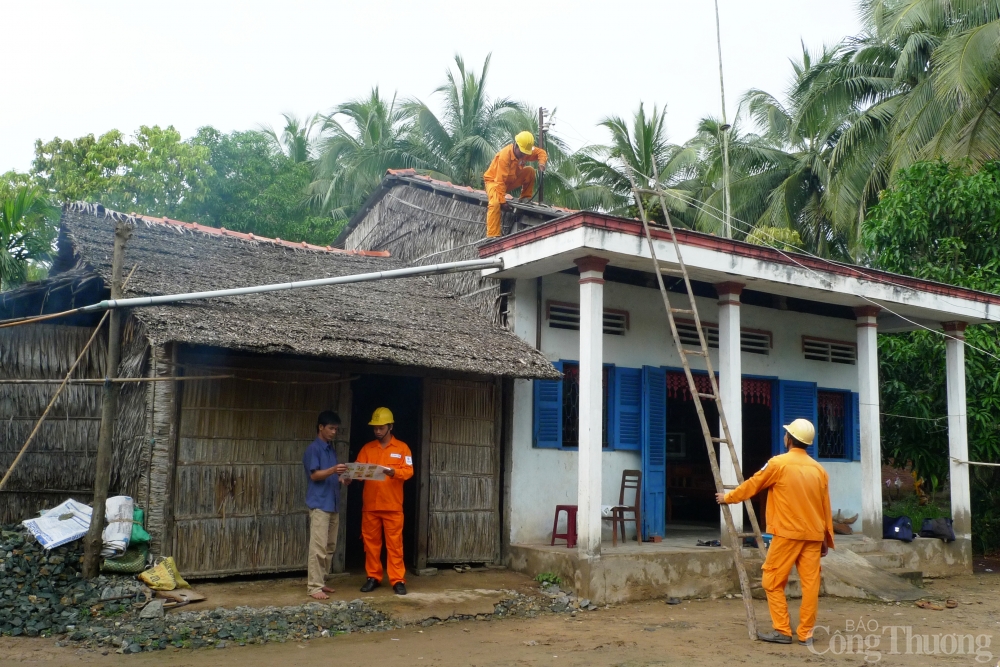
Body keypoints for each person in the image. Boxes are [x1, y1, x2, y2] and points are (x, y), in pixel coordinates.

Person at [715, 418, 834, 646]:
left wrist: (728, 497)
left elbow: (753, 484)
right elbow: (825, 506)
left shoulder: (777, 464)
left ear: (789, 439)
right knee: (811, 585)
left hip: (787, 534)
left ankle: (782, 630)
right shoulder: (819, 470)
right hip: (813, 536)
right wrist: (826, 539)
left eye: (786, 434)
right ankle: (806, 634)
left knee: (771, 581)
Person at [347, 407, 414, 595]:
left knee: (395, 545)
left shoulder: (402, 448)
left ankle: (397, 580)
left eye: (381, 427)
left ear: (390, 427)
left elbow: (409, 471)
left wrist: (394, 472)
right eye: (375, 428)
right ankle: (373, 577)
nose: (377, 431)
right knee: (371, 544)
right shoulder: (367, 449)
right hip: (371, 507)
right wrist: (349, 476)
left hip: (393, 507)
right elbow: (358, 471)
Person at [303, 410, 348, 600]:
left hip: (332, 503)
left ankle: (321, 582)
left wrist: (342, 478)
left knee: (329, 546)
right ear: (320, 427)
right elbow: (314, 475)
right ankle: (313, 587)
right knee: (318, 547)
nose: (333, 432)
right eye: (331, 428)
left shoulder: (330, 448)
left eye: (336, 429)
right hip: (320, 504)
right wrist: (332, 470)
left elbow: (329, 475)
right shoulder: (314, 449)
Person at [482, 131, 548, 238]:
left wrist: (541, 163)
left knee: (530, 171)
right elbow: (500, 182)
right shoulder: (505, 156)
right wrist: (503, 202)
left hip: (511, 180)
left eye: (525, 153)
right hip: (494, 182)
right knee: (495, 203)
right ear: (515, 145)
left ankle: (525, 197)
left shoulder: (525, 151)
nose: (524, 155)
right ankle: (492, 236)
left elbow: (541, 152)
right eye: (522, 153)